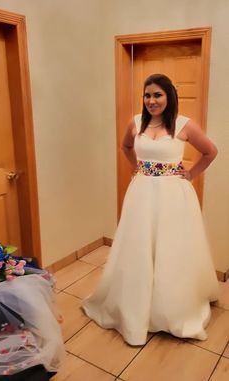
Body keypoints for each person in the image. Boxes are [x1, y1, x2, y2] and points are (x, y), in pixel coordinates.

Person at [82, 73, 219, 346]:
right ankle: (134, 304)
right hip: (142, 192)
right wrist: (136, 166)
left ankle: (170, 308)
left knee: (171, 248)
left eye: (157, 95)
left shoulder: (184, 125)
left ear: (169, 96)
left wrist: (191, 174)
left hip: (173, 194)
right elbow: (125, 146)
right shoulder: (135, 122)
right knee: (138, 246)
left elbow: (210, 151)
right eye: (147, 95)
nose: (151, 100)